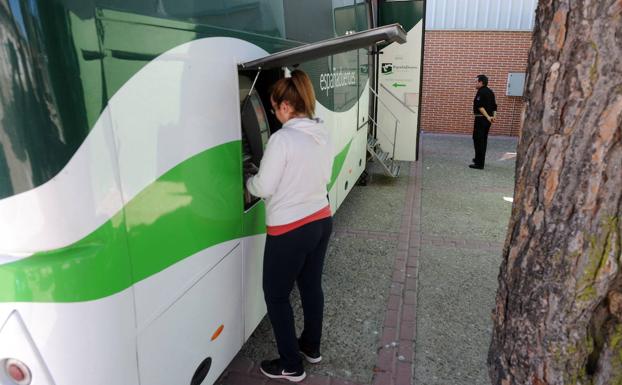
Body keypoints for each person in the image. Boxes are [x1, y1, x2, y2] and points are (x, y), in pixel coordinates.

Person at [245, 70, 333, 383]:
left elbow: (264, 186)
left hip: (290, 229)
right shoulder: (322, 132)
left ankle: (291, 364)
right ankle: (311, 346)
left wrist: (249, 180)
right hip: (321, 219)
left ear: (284, 107)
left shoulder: (283, 138)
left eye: (272, 108)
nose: (272, 114)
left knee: (277, 295)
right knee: (311, 286)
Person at [470, 74, 497, 169]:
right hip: (487, 120)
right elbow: (494, 106)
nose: (475, 83)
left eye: (476, 81)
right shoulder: (490, 92)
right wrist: (493, 117)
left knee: (478, 140)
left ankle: (479, 164)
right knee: (483, 140)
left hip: (481, 119)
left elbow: (480, 106)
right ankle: (479, 159)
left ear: (481, 82)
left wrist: (487, 117)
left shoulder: (481, 92)